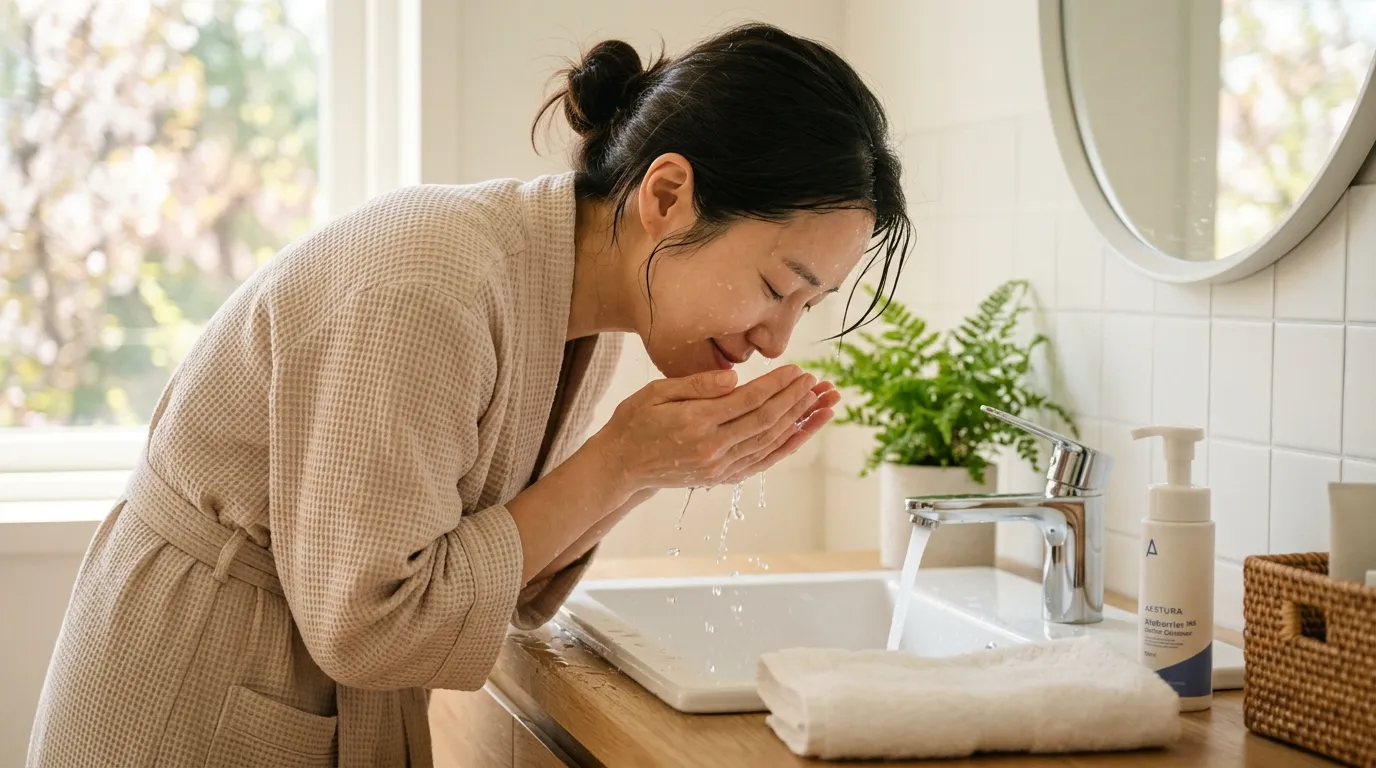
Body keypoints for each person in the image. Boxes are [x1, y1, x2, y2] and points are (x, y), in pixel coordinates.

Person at [27, 22, 910, 767]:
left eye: (807, 305)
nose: (775, 339)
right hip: (196, 697)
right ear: (668, 196)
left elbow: (496, 578)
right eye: (775, 284)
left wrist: (649, 465)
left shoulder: (577, 301)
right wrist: (622, 461)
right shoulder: (430, 285)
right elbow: (373, 622)